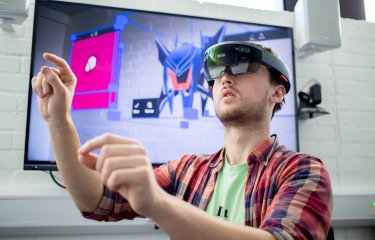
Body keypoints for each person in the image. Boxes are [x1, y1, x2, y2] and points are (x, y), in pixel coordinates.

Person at [31, 41, 332, 240]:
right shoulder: (188, 171)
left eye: (242, 66)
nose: (225, 78)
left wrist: (158, 203)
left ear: (277, 92)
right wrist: (58, 121)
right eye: (217, 73)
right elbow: (95, 202)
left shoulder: (302, 171)